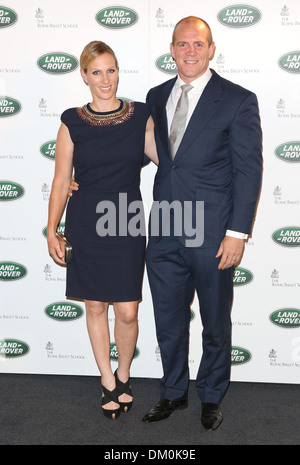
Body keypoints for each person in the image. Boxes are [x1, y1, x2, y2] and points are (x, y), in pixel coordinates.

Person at [141, 16, 262, 430]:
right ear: (171, 50)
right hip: (164, 230)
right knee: (168, 319)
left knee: (214, 318)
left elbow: (248, 171)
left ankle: (211, 394)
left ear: (211, 49)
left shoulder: (237, 99)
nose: (189, 51)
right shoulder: (156, 95)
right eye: (181, 44)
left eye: (198, 44)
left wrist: (237, 233)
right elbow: (148, 152)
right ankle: (173, 392)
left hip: (213, 233)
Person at [47, 41, 158, 420]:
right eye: (96, 72)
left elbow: (171, 158)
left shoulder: (141, 115)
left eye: (110, 70)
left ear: (117, 72)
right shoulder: (71, 121)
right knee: (95, 305)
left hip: (126, 217)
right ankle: (108, 380)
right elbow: (62, 180)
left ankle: (125, 373)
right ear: (84, 75)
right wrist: (52, 231)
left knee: (127, 310)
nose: (105, 79)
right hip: (85, 220)